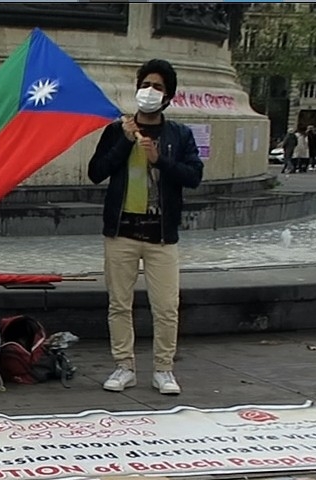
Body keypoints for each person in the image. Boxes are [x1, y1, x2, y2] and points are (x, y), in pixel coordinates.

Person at [87, 59, 202, 396]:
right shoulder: (116, 130)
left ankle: (164, 369)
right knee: (119, 304)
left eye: (158, 87)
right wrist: (123, 143)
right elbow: (96, 172)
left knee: (166, 306)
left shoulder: (179, 135)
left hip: (161, 235)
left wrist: (160, 160)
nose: (150, 92)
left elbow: (193, 176)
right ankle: (124, 366)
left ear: (168, 97)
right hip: (122, 232)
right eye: (146, 84)